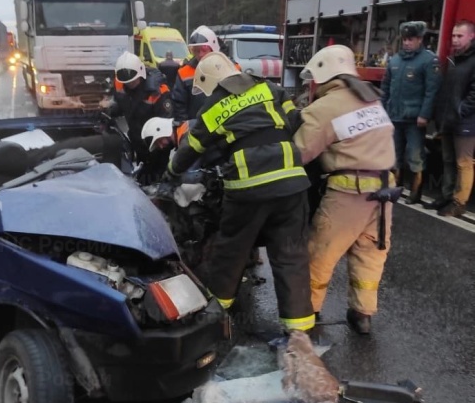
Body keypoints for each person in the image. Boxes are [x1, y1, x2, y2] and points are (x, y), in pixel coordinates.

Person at [164, 51, 315, 336]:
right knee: (290, 256)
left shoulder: (213, 107)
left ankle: (217, 316)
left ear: (211, 82)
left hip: (249, 188)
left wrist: (171, 173)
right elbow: (295, 119)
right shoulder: (270, 87)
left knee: (230, 251)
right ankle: (299, 333)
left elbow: (190, 150)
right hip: (293, 182)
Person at [294, 45, 397, 335]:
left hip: (348, 193)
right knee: (370, 255)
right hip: (384, 192)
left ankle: (307, 315)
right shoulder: (371, 99)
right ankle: (362, 315)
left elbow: (300, 152)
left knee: (319, 255)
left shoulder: (325, 107)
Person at [381, 21, 441, 204]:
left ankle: (415, 193)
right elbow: (385, 87)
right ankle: (395, 187)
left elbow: (432, 91)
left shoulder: (429, 60)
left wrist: (425, 114)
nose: (407, 43)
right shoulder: (395, 60)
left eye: (411, 39)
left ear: (420, 39)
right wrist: (382, 110)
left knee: (415, 156)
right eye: (405, 39)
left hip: (415, 119)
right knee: (395, 155)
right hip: (395, 116)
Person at [431, 19, 475, 217]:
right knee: (447, 159)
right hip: (448, 119)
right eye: (453, 36)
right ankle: (446, 196)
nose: (455, 40)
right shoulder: (453, 59)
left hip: (465, 122)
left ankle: (459, 203)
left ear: (472, 36)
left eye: (460, 36)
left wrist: (460, 110)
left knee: (463, 163)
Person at [102, 52, 173, 166]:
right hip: (136, 141)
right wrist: (110, 111)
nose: (129, 84)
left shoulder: (158, 91)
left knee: (156, 176)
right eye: (126, 82)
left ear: (141, 74)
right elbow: (123, 103)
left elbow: (166, 124)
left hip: (156, 146)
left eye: (132, 81)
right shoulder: (120, 83)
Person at [172, 26, 221, 122]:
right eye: (197, 51)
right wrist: (186, 127)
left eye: (204, 50)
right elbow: (179, 105)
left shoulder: (230, 67)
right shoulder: (184, 72)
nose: (200, 54)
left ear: (213, 48)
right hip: (196, 126)